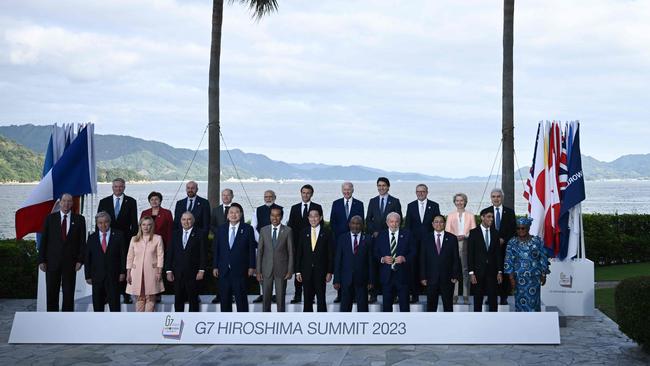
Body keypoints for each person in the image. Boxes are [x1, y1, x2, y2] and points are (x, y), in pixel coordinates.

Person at [39, 193, 86, 312]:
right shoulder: (50, 218)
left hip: (70, 263)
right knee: (51, 292)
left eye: (69, 201)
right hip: (52, 262)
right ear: (60, 203)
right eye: (64, 201)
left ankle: (67, 318)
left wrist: (80, 260)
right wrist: (41, 260)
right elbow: (43, 241)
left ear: (72, 203)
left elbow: (82, 242)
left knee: (69, 293)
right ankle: (51, 318)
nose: (66, 204)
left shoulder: (80, 219)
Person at [97, 178, 138, 304]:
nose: (118, 189)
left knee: (124, 266)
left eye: (120, 186)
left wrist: (132, 240)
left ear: (124, 187)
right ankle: (105, 295)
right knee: (107, 266)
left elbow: (134, 224)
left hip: (125, 241)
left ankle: (125, 294)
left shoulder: (131, 201)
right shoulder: (104, 202)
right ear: (112, 187)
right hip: (107, 240)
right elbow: (98, 221)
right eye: (115, 186)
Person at [213, 203, 256, 312]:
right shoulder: (221, 229)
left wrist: (252, 266)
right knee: (225, 300)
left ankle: (242, 322)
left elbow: (251, 249)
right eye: (231, 212)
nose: (233, 215)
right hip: (224, 270)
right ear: (227, 215)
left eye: (236, 212)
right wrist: (215, 267)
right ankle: (226, 323)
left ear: (240, 215)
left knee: (241, 300)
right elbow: (216, 249)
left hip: (240, 270)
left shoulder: (247, 229)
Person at [366, 177, 402, 304]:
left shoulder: (395, 201)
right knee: (375, 265)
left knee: (392, 264)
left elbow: (399, 220)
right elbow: (368, 220)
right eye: (379, 185)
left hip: (390, 239)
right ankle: (373, 293)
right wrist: (373, 231)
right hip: (376, 239)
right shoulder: (373, 201)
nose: (381, 187)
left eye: (384, 185)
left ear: (388, 187)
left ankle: (395, 294)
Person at [504, 217, 550, 312]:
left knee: (533, 303)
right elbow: (508, 260)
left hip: (534, 278)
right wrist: (511, 278)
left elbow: (543, 257)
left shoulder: (536, 241)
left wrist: (544, 273)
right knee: (520, 303)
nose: (520, 230)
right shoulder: (512, 242)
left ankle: (535, 324)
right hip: (518, 279)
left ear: (528, 228)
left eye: (523, 228)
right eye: (518, 228)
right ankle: (521, 325)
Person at [287, 184, 323, 304]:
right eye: (303, 192)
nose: (305, 195)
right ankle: (297, 295)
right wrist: (291, 245)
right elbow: (290, 227)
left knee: (311, 271)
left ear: (312, 194)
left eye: (308, 193)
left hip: (313, 244)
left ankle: (311, 296)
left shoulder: (317, 207)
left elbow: (320, 226)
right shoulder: (294, 208)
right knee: (299, 270)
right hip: (298, 244)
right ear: (301, 193)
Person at [404, 184, 441, 303]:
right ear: (416, 193)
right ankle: (415, 294)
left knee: (429, 266)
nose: (420, 193)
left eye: (423, 191)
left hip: (430, 242)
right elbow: (407, 225)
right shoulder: (411, 206)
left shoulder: (434, 206)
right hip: (414, 243)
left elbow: (437, 224)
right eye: (418, 191)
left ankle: (428, 292)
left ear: (427, 192)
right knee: (414, 268)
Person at [329, 182, 364, 303]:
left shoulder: (359, 204)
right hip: (341, 241)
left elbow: (361, 222)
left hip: (355, 240)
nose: (347, 192)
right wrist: (338, 238)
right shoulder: (336, 203)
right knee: (341, 266)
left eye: (349, 189)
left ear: (353, 190)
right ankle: (340, 294)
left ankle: (354, 295)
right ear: (341, 190)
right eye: (344, 189)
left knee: (354, 267)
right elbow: (333, 222)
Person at [481, 188, 517, 305]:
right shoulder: (485, 211)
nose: (496, 199)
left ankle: (503, 297)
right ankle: (490, 297)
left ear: (502, 197)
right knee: (490, 273)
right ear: (491, 198)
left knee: (504, 272)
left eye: (498, 196)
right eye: (494, 196)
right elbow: (483, 229)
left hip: (505, 248)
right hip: (489, 248)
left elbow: (513, 230)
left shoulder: (510, 212)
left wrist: (503, 239)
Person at [85, 211, 127, 312]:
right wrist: (88, 275)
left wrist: (122, 272)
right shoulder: (92, 238)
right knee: (98, 305)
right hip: (97, 277)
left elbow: (123, 255)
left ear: (110, 222)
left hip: (113, 275)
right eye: (100, 223)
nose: (103, 225)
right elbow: (88, 258)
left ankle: (115, 326)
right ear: (96, 223)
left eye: (106, 222)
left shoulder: (119, 235)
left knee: (114, 305)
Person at [165, 212, 207, 312]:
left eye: (189, 219)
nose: (186, 222)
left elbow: (203, 254)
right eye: (183, 219)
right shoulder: (175, 234)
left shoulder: (200, 234)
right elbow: (170, 253)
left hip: (193, 272)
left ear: (193, 220)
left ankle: (193, 322)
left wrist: (201, 270)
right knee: (178, 298)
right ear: (180, 221)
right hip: (177, 273)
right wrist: (168, 270)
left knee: (193, 299)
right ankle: (179, 322)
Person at [210, 188, 245, 304]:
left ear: (232, 196)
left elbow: (242, 225)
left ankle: (234, 295)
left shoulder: (237, 210)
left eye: (227, 195)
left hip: (235, 245)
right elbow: (212, 225)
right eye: (223, 195)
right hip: (220, 243)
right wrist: (222, 233)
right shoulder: (216, 210)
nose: (225, 197)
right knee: (221, 273)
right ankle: (219, 295)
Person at [256, 205, 294, 312]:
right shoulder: (263, 230)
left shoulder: (287, 231)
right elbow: (260, 252)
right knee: (266, 298)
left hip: (281, 270)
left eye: (277, 216)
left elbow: (291, 252)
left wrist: (290, 270)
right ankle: (266, 320)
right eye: (272, 215)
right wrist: (258, 271)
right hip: (266, 269)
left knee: (280, 298)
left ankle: (280, 320)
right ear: (269, 216)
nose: (275, 218)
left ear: (281, 217)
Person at [374, 212, 414, 312]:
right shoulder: (381, 235)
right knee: (387, 306)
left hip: (403, 275)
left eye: (396, 222)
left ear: (400, 222)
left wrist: (404, 258)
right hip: (386, 276)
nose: (394, 224)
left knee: (404, 306)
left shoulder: (407, 234)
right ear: (387, 222)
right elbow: (375, 253)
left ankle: (406, 325)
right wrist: (383, 259)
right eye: (391, 222)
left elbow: (414, 252)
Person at [419, 215, 461, 312]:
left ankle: (449, 326)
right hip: (430, 278)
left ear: (445, 224)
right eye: (436, 222)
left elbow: (455, 258)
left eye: (441, 222)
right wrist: (423, 277)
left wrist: (455, 275)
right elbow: (422, 259)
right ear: (433, 224)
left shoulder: (452, 238)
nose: (439, 224)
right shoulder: (426, 238)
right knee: (431, 306)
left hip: (448, 278)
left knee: (448, 305)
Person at [296, 209, 334, 312]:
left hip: (321, 272)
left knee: (321, 299)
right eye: (311, 216)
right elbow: (299, 253)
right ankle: (307, 322)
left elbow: (330, 254)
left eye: (316, 216)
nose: (313, 219)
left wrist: (330, 271)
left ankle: (322, 322)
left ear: (320, 218)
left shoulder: (327, 233)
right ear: (308, 218)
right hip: (306, 271)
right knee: (307, 299)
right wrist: (298, 271)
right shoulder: (303, 232)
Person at [334, 216, 373, 312]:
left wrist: (371, 280)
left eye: (358, 223)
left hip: (362, 280)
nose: (355, 226)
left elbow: (371, 262)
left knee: (363, 308)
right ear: (349, 224)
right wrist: (336, 279)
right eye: (353, 223)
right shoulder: (342, 238)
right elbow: (338, 260)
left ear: (362, 225)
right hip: (346, 279)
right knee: (345, 308)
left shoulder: (368, 239)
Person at [126, 216, 165, 312]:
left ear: (152, 226)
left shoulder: (157, 238)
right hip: (136, 273)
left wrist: (159, 272)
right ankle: (140, 323)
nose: (146, 227)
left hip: (152, 272)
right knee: (139, 298)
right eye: (143, 224)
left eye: (148, 225)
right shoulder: (134, 239)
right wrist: (128, 273)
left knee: (151, 298)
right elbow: (130, 257)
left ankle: (148, 321)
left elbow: (160, 256)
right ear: (140, 226)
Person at [250, 190, 283, 304]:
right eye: (266, 197)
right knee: (261, 270)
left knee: (275, 268)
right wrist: (261, 240)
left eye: (270, 197)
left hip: (277, 245)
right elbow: (253, 227)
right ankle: (262, 294)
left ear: (275, 197)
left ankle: (274, 294)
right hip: (260, 244)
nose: (268, 199)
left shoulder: (282, 209)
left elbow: (285, 226)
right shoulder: (257, 210)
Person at [467, 210, 503, 312]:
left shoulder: (495, 233)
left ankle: (493, 321)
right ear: (482, 217)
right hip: (478, 272)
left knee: (493, 298)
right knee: (477, 298)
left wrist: (499, 271)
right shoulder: (473, 233)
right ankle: (477, 320)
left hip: (492, 272)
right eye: (489, 217)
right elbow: (470, 254)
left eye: (492, 217)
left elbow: (498, 254)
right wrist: (471, 273)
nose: (491, 219)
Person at [445, 192, 476, 304]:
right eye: (457, 200)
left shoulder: (471, 215)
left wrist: (465, 236)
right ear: (454, 202)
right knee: (454, 269)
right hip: (453, 244)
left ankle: (466, 295)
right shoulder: (450, 215)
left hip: (466, 244)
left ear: (465, 202)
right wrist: (455, 237)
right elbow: (447, 231)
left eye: (461, 200)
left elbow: (473, 231)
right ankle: (454, 295)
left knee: (465, 270)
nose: (459, 202)